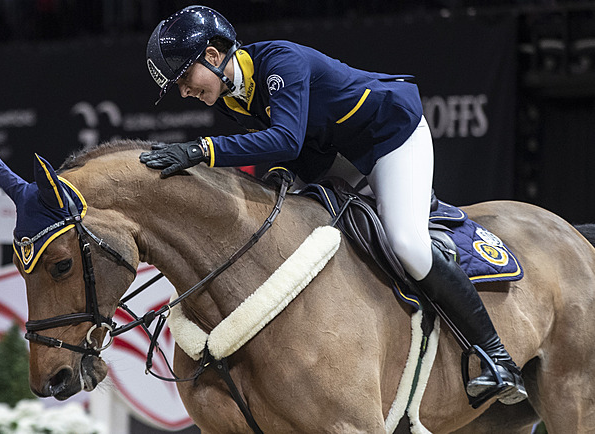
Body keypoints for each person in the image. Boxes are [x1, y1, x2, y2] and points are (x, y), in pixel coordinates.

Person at [140, 5, 527, 405]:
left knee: (407, 244)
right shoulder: (229, 97)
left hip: (389, 136)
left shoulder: (279, 62)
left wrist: (202, 150)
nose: (185, 91)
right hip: (335, 152)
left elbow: (287, 139)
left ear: (214, 56)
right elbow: (289, 150)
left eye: (185, 76)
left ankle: (496, 357)